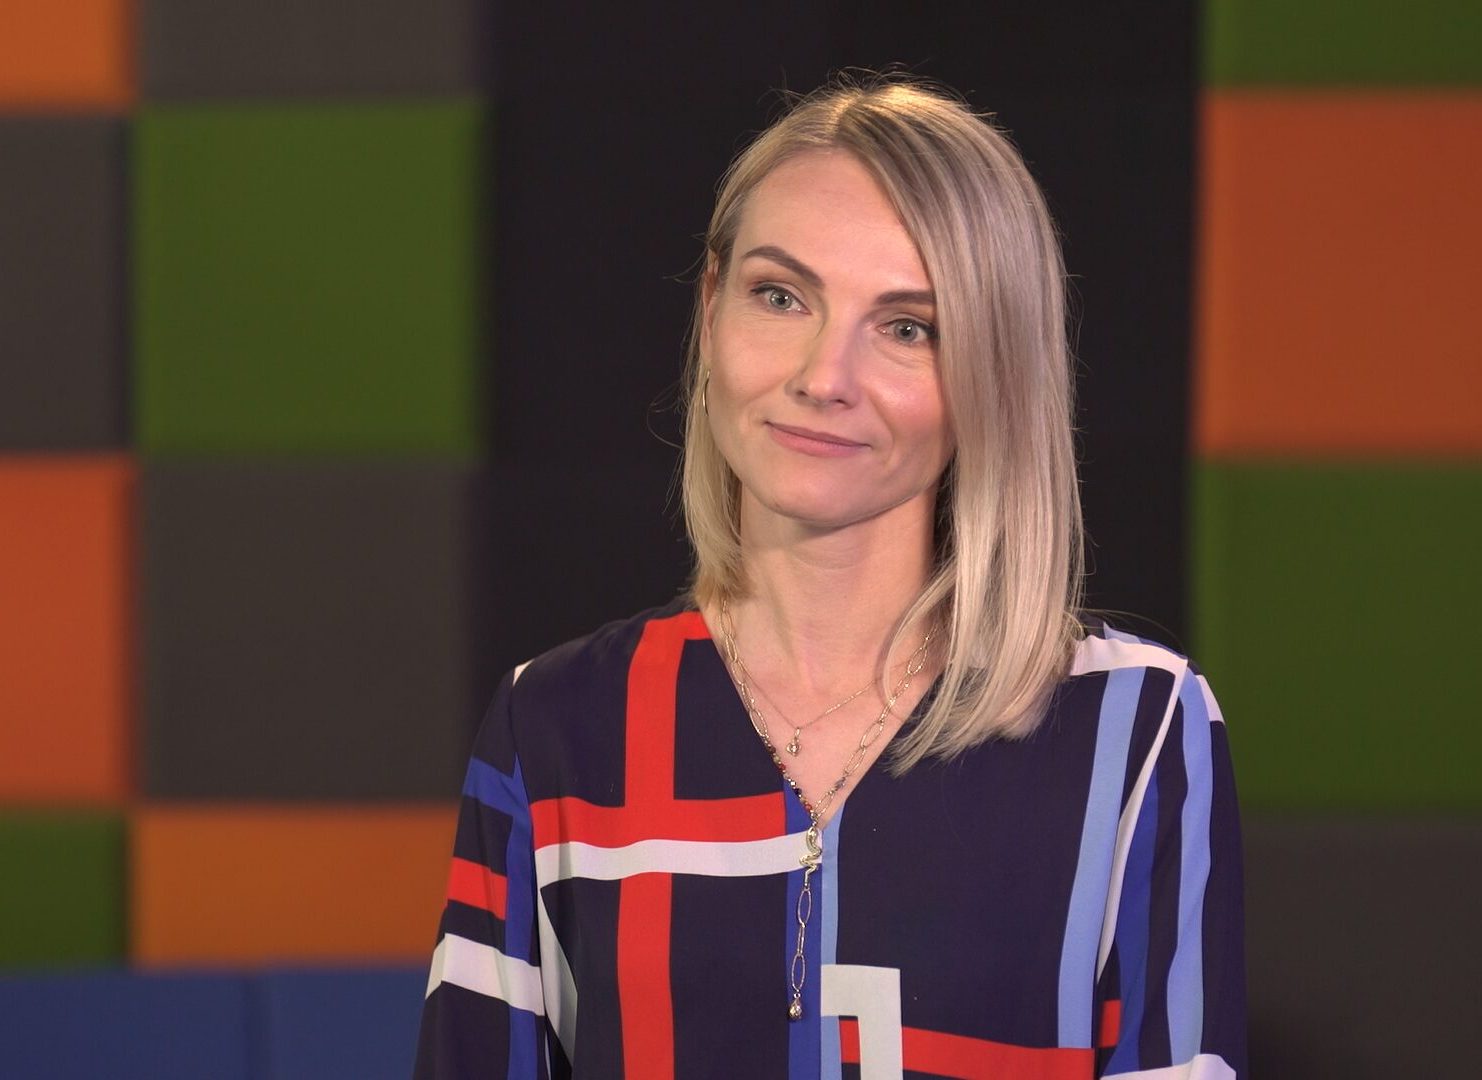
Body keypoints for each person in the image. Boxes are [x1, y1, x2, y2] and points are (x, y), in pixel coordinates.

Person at [414, 75, 1245, 1080]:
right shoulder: (555, 728)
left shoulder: (1134, 730)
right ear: (711, 309)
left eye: (907, 326)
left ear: (994, 372)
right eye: (780, 296)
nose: (822, 376)